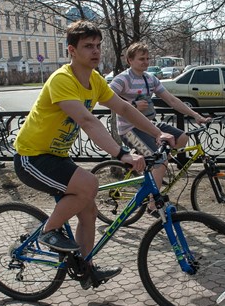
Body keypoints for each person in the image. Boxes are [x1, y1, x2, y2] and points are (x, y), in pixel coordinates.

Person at [12, 21, 175, 290]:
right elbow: (88, 121)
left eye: (98, 45)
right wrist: (123, 154)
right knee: (89, 184)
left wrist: (157, 133)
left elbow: (123, 108)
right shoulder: (62, 79)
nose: (95, 51)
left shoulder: (95, 79)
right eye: (88, 46)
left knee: (88, 212)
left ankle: (85, 269)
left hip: (56, 155)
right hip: (32, 157)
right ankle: (48, 232)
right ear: (72, 50)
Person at [109, 42, 210, 196]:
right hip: (130, 129)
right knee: (160, 160)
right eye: (141, 59)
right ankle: (152, 203)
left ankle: (153, 169)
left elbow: (171, 100)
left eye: (148, 58)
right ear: (130, 60)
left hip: (150, 125)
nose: (146, 62)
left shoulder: (150, 79)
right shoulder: (123, 79)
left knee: (182, 138)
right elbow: (106, 98)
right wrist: (133, 104)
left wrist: (196, 115)